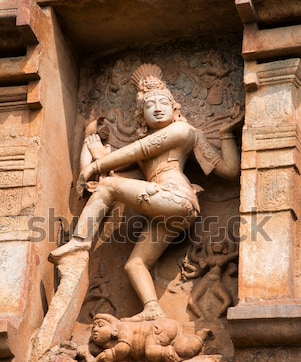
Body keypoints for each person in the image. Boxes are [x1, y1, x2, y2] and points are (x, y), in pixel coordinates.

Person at [49, 63, 242, 321]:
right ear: (141, 115)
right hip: (165, 210)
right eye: (150, 106)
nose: (158, 108)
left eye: (164, 102)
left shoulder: (183, 131)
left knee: (110, 186)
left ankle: (77, 244)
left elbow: (229, 171)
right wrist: (91, 145)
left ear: (175, 110)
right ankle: (152, 310)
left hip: (176, 197)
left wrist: (225, 135)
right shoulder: (146, 150)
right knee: (135, 264)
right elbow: (112, 178)